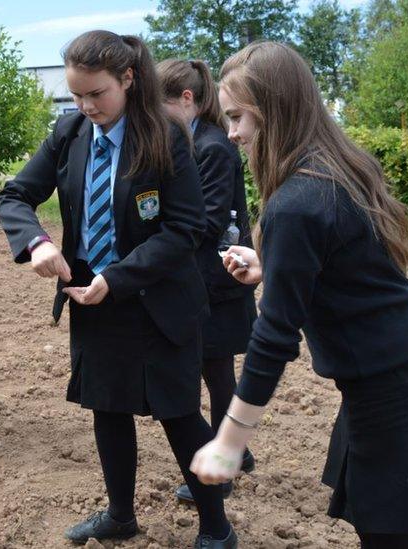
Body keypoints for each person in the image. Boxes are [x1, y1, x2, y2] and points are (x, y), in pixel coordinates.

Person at [190, 41, 408, 549]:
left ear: (273, 109)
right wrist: (273, 266)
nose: (231, 133)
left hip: (392, 396)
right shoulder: (337, 168)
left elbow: (274, 337)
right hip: (402, 379)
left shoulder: (297, 201)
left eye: (237, 117)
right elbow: (350, 265)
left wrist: (229, 442)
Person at [0, 30, 237, 549]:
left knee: (179, 416)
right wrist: (35, 241)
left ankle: (216, 527)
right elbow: (14, 195)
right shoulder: (68, 134)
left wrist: (118, 277)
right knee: (108, 409)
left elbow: (185, 229)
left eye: (96, 94)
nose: (85, 106)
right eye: (76, 95)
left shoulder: (166, 136)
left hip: (159, 302)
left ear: (128, 79)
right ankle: (120, 516)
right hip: (92, 299)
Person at [156, 58, 257, 504]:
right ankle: (239, 452)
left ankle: (224, 464)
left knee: (215, 370)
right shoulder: (197, 141)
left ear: (186, 99)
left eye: (160, 107)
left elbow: (211, 219)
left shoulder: (212, 147)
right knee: (214, 368)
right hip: (209, 275)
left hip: (218, 278)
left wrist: (166, 235)